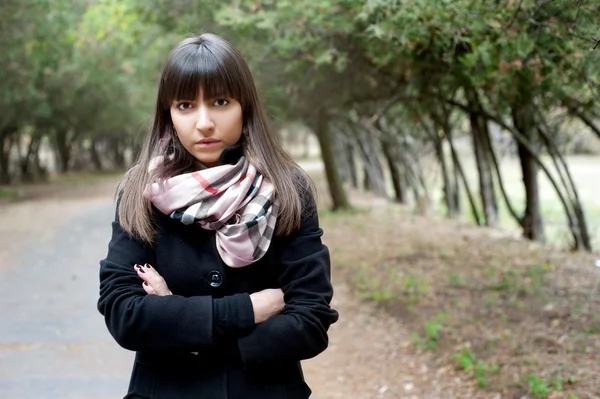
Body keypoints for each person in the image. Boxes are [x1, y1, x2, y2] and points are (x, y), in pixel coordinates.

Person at [96, 32, 339, 399]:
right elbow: (124, 312)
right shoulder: (140, 191)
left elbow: (311, 320)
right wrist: (248, 310)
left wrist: (186, 329)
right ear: (169, 115)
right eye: (185, 106)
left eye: (220, 101)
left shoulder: (288, 188)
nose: (204, 123)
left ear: (245, 106)